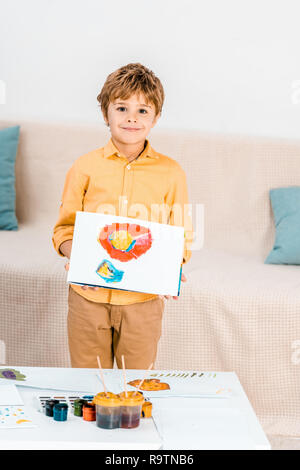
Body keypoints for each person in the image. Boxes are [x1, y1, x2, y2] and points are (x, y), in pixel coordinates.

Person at [52, 63, 194, 370]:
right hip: (87, 299)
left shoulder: (171, 173)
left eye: (143, 110)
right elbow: (64, 229)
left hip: (143, 301)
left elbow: (181, 233)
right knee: (89, 385)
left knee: (134, 388)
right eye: (121, 108)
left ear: (156, 117)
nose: (132, 117)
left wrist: (173, 269)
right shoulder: (84, 167)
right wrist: (75, 253)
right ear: (106, 114)